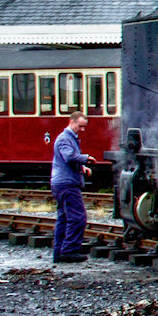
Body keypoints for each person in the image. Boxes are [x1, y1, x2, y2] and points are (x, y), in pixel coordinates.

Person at [50, 112, 94, 263]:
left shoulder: (68, 138)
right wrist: (85, 158)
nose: (82, 130)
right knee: (78, 217)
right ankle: (69, 250)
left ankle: (59, 253)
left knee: (64, 218)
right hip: (67, 184)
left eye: (84, 127)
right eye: (80, 126)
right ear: (71, 122)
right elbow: (68, 156)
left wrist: (81, 168)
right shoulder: (64, 138)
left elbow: (67, 160)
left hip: (61, 183)